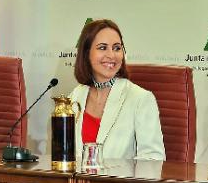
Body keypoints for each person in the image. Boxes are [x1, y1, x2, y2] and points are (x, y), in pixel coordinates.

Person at [70, 19, 165, 161]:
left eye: (117, 48)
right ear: (86, 53)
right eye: (102, 48)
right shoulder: (75, 96)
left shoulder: (141, 99)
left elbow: (153, 160)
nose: (112, 55)